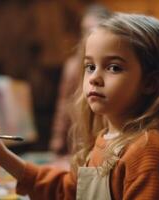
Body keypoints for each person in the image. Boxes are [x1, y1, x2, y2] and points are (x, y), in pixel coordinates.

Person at [0, 13, 159, 199]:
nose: (95, 78)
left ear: (150, 82)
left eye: (114, 67)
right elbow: (68, 190)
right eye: (90, 66)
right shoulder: (106, 138)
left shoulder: (150, 152)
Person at [50, 4, 112, 154]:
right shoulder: (72, 66)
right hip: (80, 133)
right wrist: (58, 137)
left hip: (107, 132)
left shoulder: (114, 64)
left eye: (94, 30)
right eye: (85, 30)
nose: (88, 35)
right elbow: (63, 103)